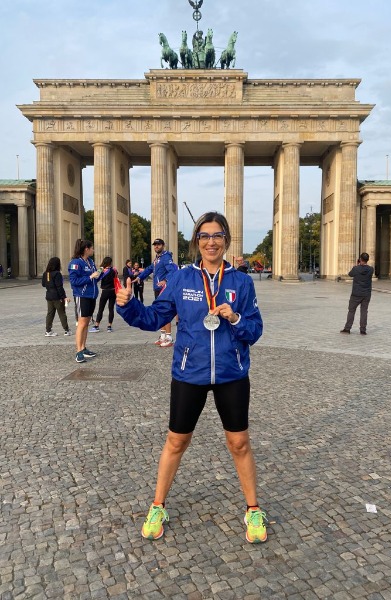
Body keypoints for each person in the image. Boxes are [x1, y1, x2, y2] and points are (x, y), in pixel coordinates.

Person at [116, 211, 267, 544]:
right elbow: (156, 316)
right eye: (204, 236)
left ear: (226, 240)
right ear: (196, 241)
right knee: (176, 441)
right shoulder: (183, 279)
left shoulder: (241, 281)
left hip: (232, 373)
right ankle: (158, 505)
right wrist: (127, 306)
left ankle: (253, 508)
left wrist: (236, 317)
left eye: (217, 236)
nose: (211, 242)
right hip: (189, 372)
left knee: (239, 443)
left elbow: (254, 330)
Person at [134, 239, 178, 347]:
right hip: (157, 288)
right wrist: (140, 277)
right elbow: (149, 269)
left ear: (163, 245)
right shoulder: (157, 259)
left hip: (163, 289)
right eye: (155, 245)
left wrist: (165, 281)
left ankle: (169, 337)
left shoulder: (166, 257)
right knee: (159, 312)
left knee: (165, 312)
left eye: (158, 245)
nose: (156, 247)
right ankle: (163, 335)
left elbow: (172, 271)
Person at [68, 239, 101, 363]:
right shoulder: (75, 263)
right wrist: (90, 277)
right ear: (86, 249)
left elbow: (93, 279)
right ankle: (78, 351)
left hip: (91, 295)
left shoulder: (90, 262)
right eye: (92, 248)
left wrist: (100, 274)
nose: (93, 250)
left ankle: (83, 347)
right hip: (82, 296)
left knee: (87, 322)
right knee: (81, 323)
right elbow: (74, 281)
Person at [340, 252, 374, 335]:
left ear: (360, 259)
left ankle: (347, 328)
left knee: (351, 311)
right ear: (367, 260)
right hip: (366, 294)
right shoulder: (371, 269)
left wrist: (357, 265)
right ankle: (363, 330)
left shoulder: (356, 268)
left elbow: (350, 274)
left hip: (356, 293)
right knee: (364, 311)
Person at [42, 256, 72, 337]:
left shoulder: (46, 273)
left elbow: (43, 284)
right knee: (62, 313)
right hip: (57, 297)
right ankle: (66, 330)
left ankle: (48, 330)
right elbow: (59, 287)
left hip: (49, 296)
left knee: (50, 314)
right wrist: (64, 297)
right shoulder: (57, 274)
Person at [89, 257, 117, 333]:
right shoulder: (114, 270)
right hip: (113, 291)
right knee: (111, 309)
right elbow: (116, 278)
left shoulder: (101, 270)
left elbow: (96, 278)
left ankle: (97, 325)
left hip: (105, 291)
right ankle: (109, 326)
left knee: (101, 308)